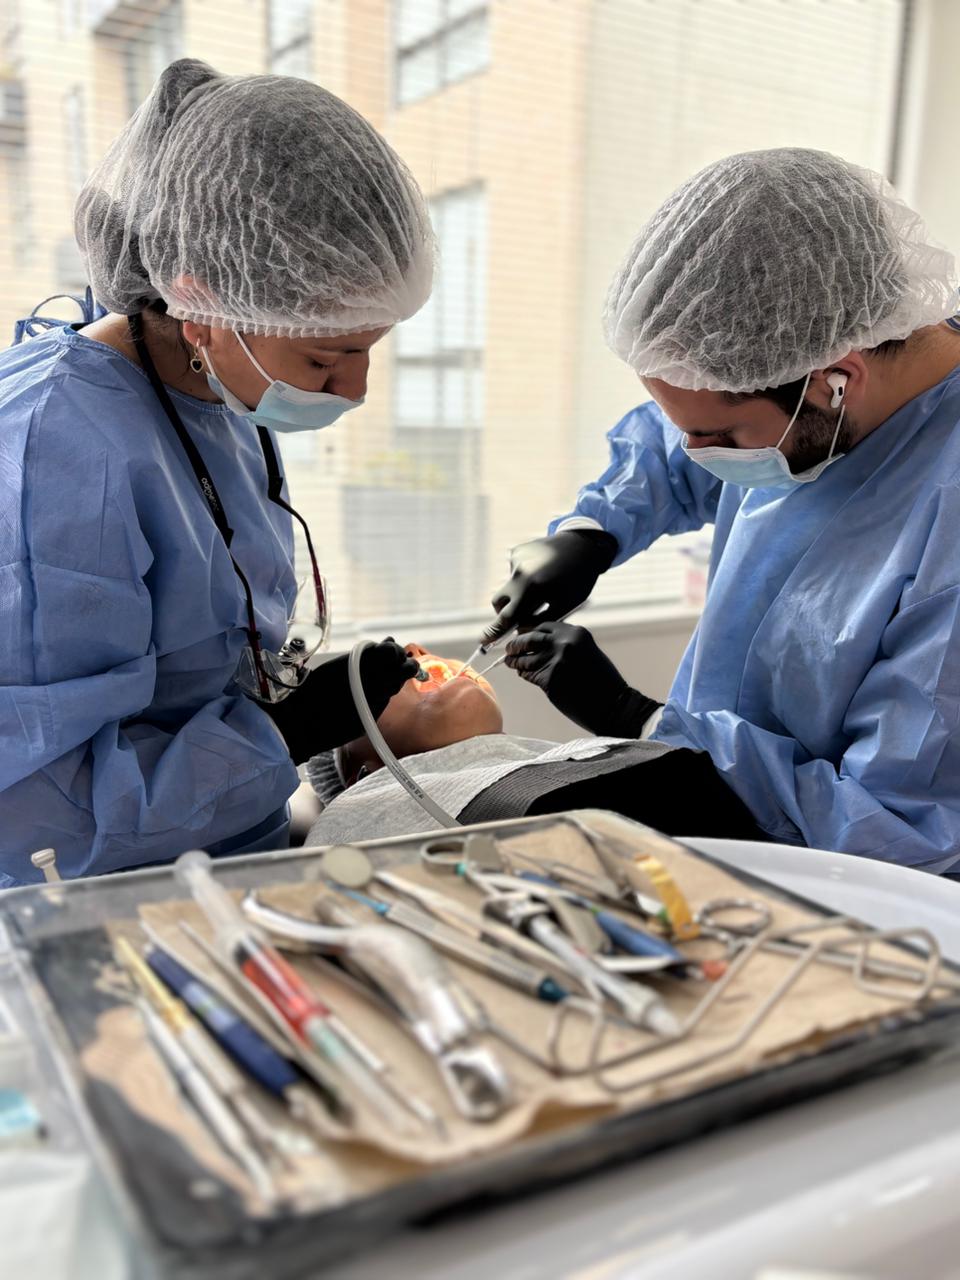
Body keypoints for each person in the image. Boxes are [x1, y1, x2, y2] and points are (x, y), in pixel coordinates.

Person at [0, 59, 435, 885]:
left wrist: (288, 715)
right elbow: (38, 807)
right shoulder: (50, 451)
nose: (355, 389)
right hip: (101, 897)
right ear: (200, 303)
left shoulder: (215, 389)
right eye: (326, 357)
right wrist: (281, 734)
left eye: (368, 349)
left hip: (228, 854)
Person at [495, 148, 960, 872]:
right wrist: (594, 531)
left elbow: (900, 830)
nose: (695, 452)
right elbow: (682, 439)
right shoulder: (797, 387)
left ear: (835, 382)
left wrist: (638, 720)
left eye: (720, 438)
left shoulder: (944, 522)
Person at [306, 645, 764, 844]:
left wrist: (632, 715)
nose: (413, 651)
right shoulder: (357, 821)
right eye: (367, 683)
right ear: (362, 775)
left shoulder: (586, 761)